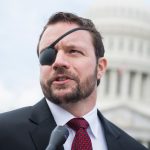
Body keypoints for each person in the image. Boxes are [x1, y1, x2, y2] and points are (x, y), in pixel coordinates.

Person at [0, 12, 148, 150]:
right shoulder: (4, 132)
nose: (58, 62)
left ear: (100, 67)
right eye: (48, 54)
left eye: (73, 51)